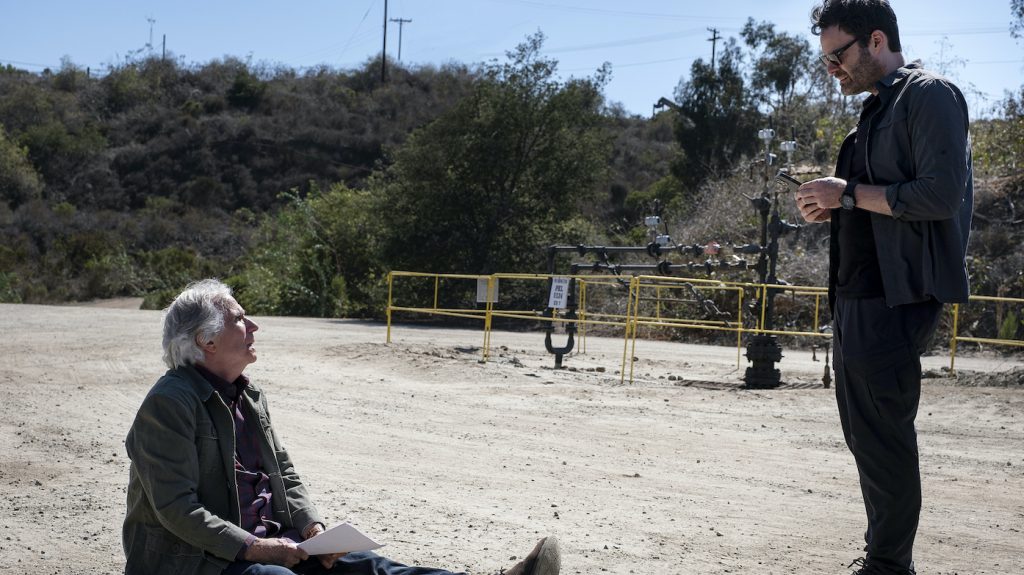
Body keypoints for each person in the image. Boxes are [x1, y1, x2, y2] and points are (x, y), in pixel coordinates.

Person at [123, 278, 561, 575]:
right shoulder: (169, 404)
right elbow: (178, 510)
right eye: (240, 319)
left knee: (371, 568)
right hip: (201, 561)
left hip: (274, 545)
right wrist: (256, 548)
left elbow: (285, 473)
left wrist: (313, 529)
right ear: (207, 340)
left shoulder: (246, 393)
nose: (254, 325)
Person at [794, 1, 973, 574]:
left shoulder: (930, 95)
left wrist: (846, 194)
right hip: (854, 299)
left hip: (896, 300)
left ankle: (889, 566)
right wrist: (834, 207)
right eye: (825, 61)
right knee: (865, 438)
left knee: (884, 439)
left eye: (837, 56)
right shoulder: (873, 113)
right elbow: (876, 201)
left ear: (876, 40)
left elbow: (939, 196)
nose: (832, 70)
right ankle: (884, 557)